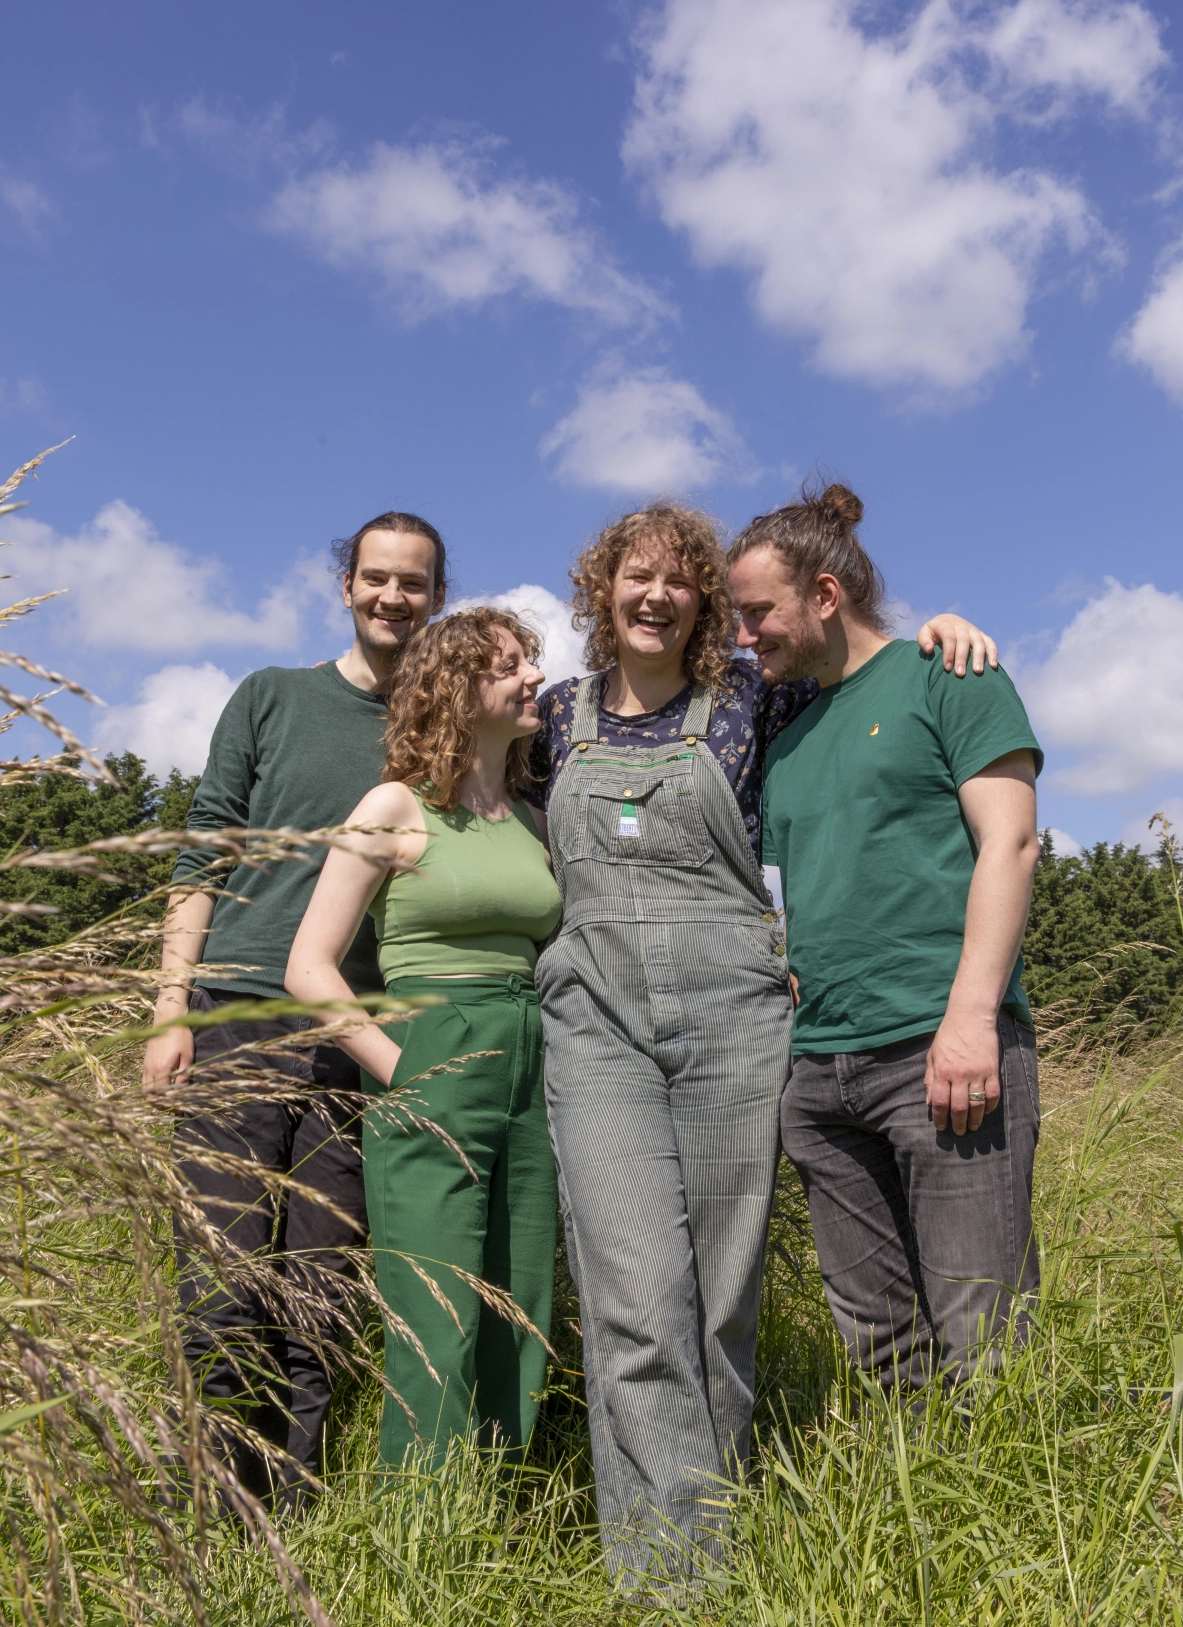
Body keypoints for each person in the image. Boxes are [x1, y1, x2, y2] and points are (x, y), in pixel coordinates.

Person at [528, 500, 995, 1584]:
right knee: (636, 1306)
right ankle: (669, 1579)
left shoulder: (753, 698)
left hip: (734, 1019)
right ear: (602, 589)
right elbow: (447, 767)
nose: (655, 596)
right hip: (595, 1024)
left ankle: (713, 1546)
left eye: (679, 580)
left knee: (719, 1303)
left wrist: (939, 630)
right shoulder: (553, 718)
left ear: (703, 601)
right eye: (634, 576)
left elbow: (859, 662)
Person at [142, 510, 447, 1506]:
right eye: (377, 577)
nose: (393, 597)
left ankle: (297, 1511)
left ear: (436, 597)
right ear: (346, 585)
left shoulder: (439, 732)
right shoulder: (271, 697)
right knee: (222, 1284)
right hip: (235, 1015)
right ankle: (218, 1511)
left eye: (412, 582)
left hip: (355, 1036)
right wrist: (172, 1009)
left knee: (321, 1295)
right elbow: (205, 849)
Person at [729, 481, 1042, 1390]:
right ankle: (909, 1489)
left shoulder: (948, 676)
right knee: (882, 1349)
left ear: (825, 595)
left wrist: (970, 1021)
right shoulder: (788, 737)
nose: (745, 635)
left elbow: (1011, 844)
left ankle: (1007, 1485)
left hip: (940, 1051)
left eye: (759, 612)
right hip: (820, 1076)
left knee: (984, 1336)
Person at [286, 608, 562, 1469]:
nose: (532, 677)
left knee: (521, 1305)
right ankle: (420, 1516)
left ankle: (498, 1507)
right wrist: (405, 1071)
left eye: (529, 662)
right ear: (455, 688)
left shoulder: (529, 819)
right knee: (436, 1309)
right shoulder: (394, 806)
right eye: (509, 666)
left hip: (532, 1056)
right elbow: (309, 967)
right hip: (435, 1048)